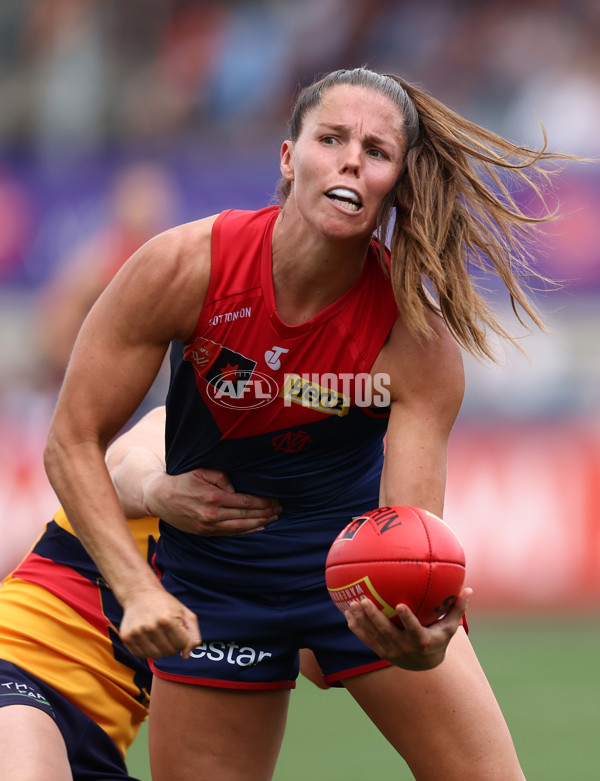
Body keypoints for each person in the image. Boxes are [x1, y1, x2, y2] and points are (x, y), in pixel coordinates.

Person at [43, 67, 579, 780]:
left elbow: (408, 535)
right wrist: (137, 589)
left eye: (376, 152)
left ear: (395, 183)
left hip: (353, 578)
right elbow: (72, 441)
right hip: (216, 585)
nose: (352, 160)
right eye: (332, 139)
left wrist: (416, 630)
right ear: (290, 157)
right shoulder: (183, 267)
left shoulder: (415, 339)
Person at [0, 406, 280, 781]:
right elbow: (120, 467)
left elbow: (315, 660)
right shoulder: (199, 427)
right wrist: (155, 490)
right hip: (16, 665)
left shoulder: (317, 504)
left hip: (102, 740)